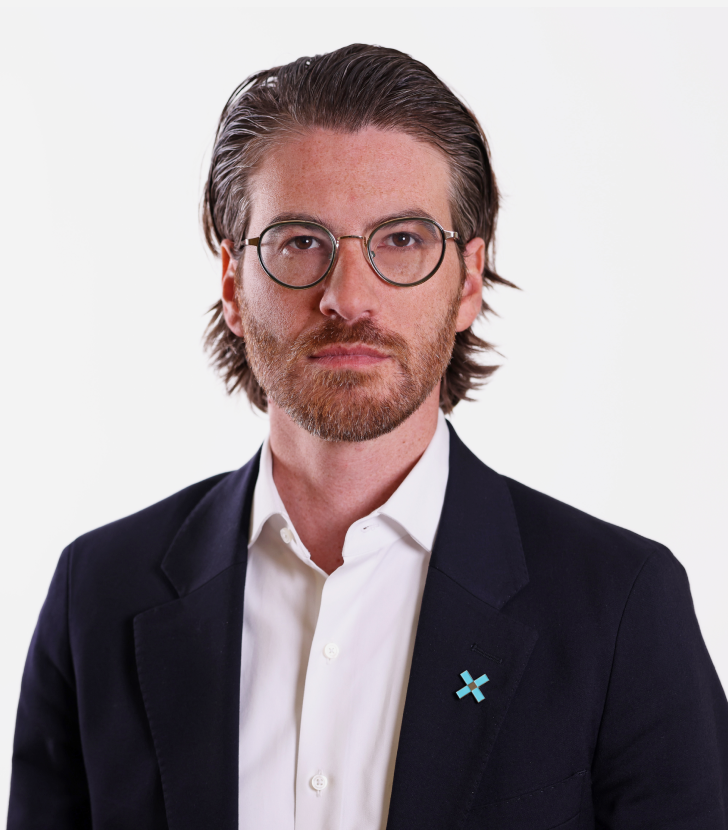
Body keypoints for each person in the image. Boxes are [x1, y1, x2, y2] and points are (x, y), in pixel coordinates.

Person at [7, 43, 728, 830]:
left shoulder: (620, 606)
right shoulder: (100, 596)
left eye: (402, 241)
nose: (349, 298)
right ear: (232, 287)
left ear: (469, 280)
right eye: (300, 242)